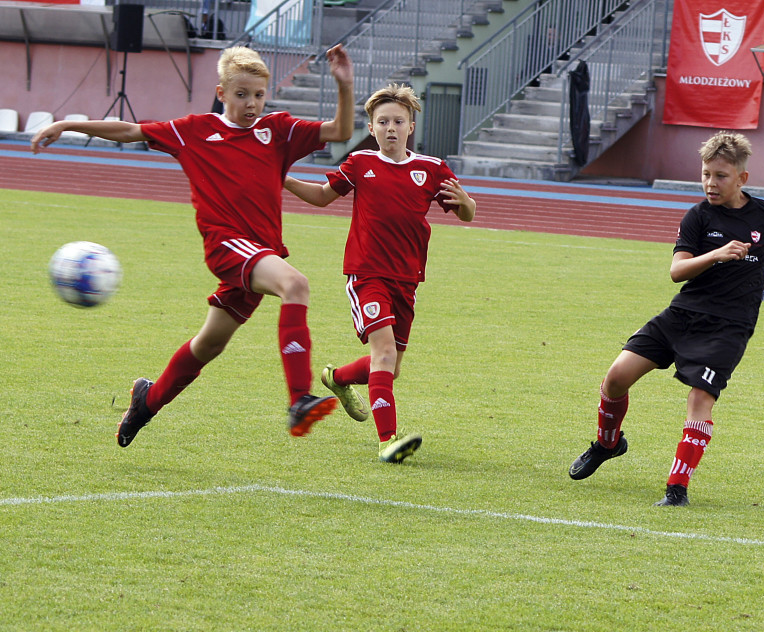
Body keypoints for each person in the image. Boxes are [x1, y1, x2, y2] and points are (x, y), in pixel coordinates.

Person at [30, 44, 356, 446]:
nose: (251, 103)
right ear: (221, 93)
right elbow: (131, 130)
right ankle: (299, 400)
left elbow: (340, 132)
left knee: (209, 344)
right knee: (296, 284)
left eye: (258, 95)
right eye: (241, 95)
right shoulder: (194, 130)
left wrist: (345, 85)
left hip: (260, 252)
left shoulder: (280, 130)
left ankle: (146, 402)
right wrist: (68, 125)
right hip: (227, 246)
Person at [568, 131, 764, 506]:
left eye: (720, 175)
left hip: (729, 326)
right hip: (683, 314)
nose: (710, 183)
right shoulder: (698, 217)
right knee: (616, 377)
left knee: (700, 397)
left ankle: (676, 489)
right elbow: (677, 271)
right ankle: (608, 444)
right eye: (705, 174)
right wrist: (716, 255)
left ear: (742, 178)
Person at [283, 83, 476, 463]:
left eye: (398, 121)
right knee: (384, 354)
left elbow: (465, 213)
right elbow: (323, 196)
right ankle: (389, 439)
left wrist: (468, 202)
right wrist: (284, 179)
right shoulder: (361, 164)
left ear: (411, 127)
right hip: (367, 274)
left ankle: (337, 378)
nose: (390, 127)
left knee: (390, 366)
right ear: (371, 128)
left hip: (408, 280)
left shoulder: (432, 170)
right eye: (382, 121)